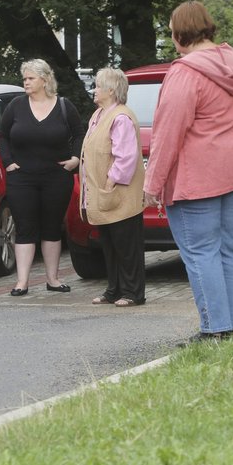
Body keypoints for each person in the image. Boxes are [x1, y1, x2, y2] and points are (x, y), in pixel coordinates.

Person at [143, 1, 233, 342]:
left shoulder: (185, 72)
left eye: (171, 32)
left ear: (181, 33)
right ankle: (232, 325)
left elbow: (168, 133)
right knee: (226, 249)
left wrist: (153, 184)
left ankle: (214, 329)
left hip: (199, 178)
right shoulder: (231, 61)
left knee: (200, 252)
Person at [0, 59, 84, 296]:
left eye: (30, 78)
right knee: (24, 227)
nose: (25, 82)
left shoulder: (65, 106)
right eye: (24, 78)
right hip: (21, 177)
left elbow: (78, 134)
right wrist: (8, 162)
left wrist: (75, 159)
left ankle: (53, 279)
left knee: (52, 228)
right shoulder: (16, 106)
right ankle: (22, 282)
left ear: (45, 80)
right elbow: (2, 136)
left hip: (56, 177)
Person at [80, 68, 147, 307]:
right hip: (102, 194)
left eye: (98, 86)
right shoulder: (98, 114)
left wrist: (111, 181)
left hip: (119, 192)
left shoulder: (121, 117)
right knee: (109, 244)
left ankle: (133, 293)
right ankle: (114, 289)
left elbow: (126, 157)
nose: (94, 90)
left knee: (127, 246)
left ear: (111, 90)